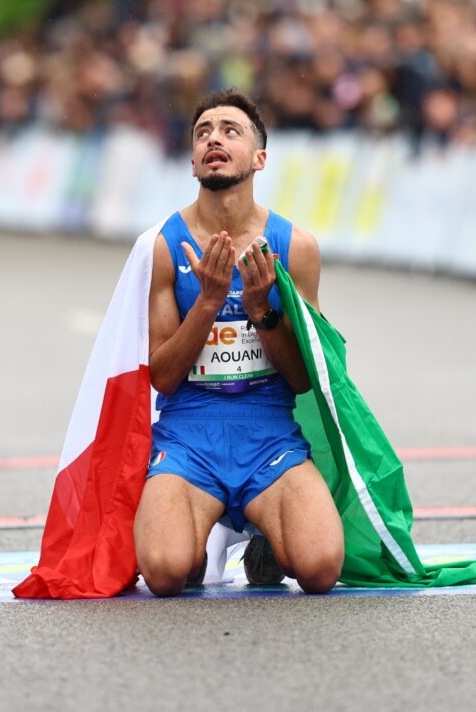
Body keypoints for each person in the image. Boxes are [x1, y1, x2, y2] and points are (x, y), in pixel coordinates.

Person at [134, 89, 346, 597]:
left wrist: (261, 313)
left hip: (269, 438)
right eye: (203, 133)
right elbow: (162, 376)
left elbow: (304, 379)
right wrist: (207, 303)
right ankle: (207, 532)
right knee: (165, 573)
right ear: (192, 162)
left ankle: (261, 531)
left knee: (320, 570)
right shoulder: (163, 247)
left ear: (259, 158)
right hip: (188, 438)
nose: (214, 138)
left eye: (231, 131)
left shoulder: (295, 247)